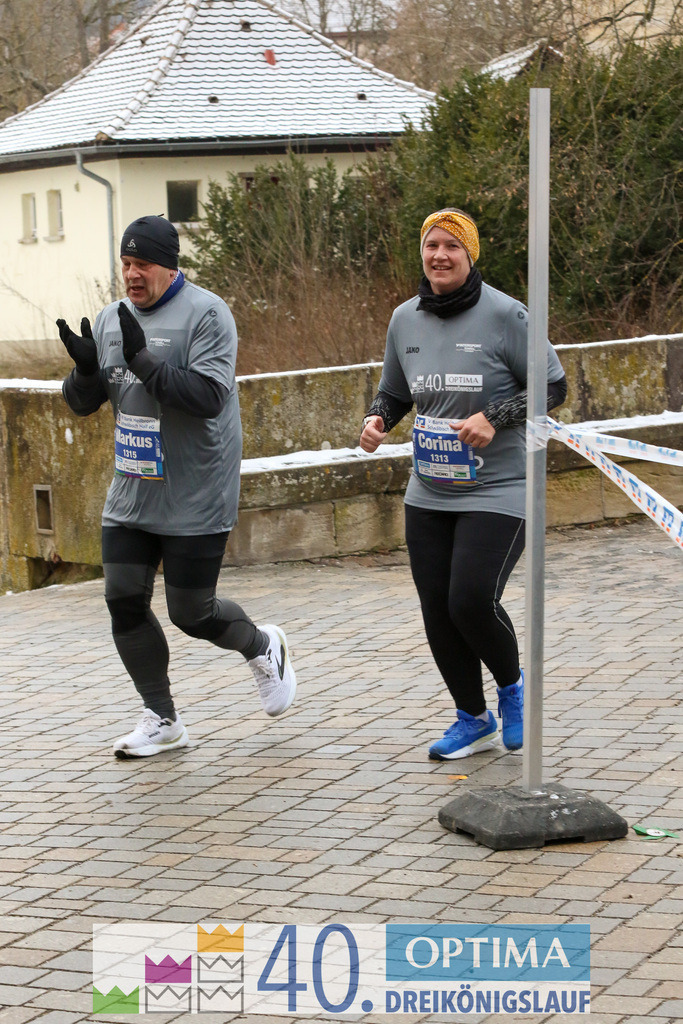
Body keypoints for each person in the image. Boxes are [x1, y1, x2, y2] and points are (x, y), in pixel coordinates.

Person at [58, 215, 296, 759]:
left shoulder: (208, 314)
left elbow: (208, 397)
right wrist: (87, 371)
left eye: (142, 264)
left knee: (192, 613)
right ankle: (162, 719)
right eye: (126, 264)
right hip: (133, 490)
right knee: (122, 601)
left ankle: (264, 647)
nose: (132, 275)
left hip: (195, 491)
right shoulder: (110, 318)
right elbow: (82, 402)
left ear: (170, 267)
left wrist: (143, 361)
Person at [360, 208, 566, 760]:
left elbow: (552, 387)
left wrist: (495, 416)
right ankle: (471, 719)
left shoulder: (508, 315)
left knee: (470, 599)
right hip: (429, 490)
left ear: (470, 254)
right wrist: (378, 418)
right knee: (437, 607)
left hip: (500, 488)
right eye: (431, 245)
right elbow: (396, 391)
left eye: (452, 246)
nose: (439, 256)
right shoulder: (405, 319)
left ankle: (512, 689)